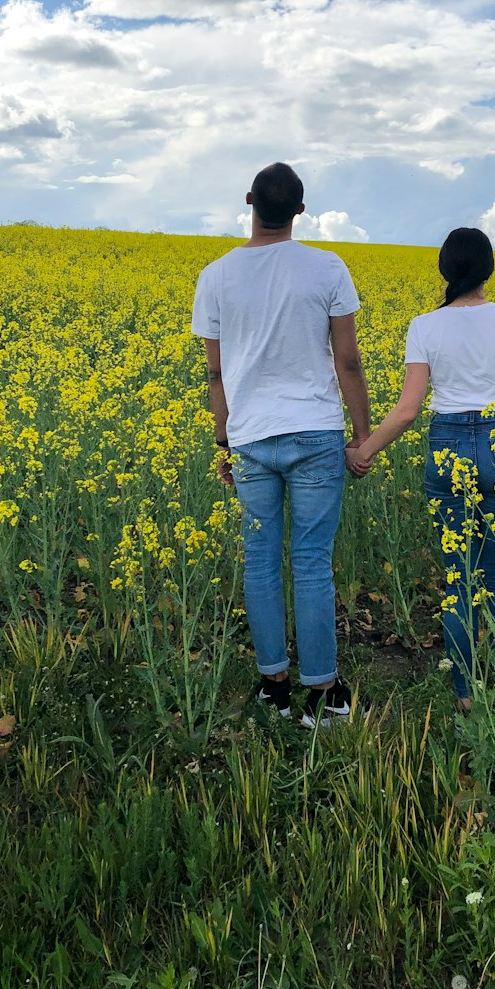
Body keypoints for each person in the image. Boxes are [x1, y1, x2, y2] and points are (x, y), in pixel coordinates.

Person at [346, 227, 495, 713]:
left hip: (450, 448)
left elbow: (406, 410)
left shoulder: (426, 325)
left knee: (460, 577)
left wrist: (365, 450)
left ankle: (464, 695)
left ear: (445, 270)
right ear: (489, 270)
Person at [191, 163, 371, 728]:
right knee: (312, 563)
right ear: (300, 209)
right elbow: (347, 360)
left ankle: (274, 685)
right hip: (316, 433)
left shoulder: (215, 276)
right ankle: (322, 692)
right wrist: (363, 436)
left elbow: (216, 374)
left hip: (250, 437)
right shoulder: (327, 267)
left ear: (248, 201)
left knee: (261, 560)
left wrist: (224, 441)